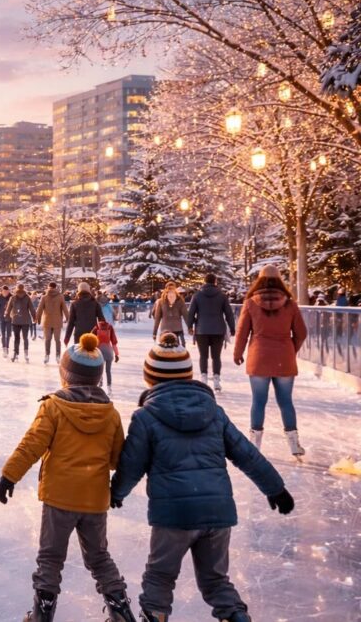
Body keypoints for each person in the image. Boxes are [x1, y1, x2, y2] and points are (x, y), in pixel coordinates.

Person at [110, 332, 294, 622]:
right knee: (215, 580)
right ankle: (235, 616)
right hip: (217, 513)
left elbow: (132, 463)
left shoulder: (145, 417)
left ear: (150, 379)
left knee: (160, 577)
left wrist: (116, 492)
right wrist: (275, 488)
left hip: (174, 516)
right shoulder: (214, 412)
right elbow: (246, 453)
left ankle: (154, 616)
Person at [0, 333, 135, 622]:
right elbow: (116, 459)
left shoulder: (53, 407)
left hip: (59, 498)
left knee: (50, 558)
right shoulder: (110, 414)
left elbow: (31, 444)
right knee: (99, 558)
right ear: (97, 378)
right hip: (95, 500)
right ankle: (121, 612)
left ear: (65, 375)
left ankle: (42, 615)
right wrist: (116, 490)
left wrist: (9, 476)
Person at [233, 265, 308, 459]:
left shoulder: (250, 303)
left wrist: (238, 353)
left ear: (259, 279)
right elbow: (301, 333)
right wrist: (291, 349)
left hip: (259, 358)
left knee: (258, 401)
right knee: (285, 402)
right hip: (284, 357)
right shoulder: (290, 304)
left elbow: (242, 333)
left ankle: (254, 446)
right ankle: (294, 445)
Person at [187, 273, 236, 392]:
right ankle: (216, 380)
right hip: (218, 330)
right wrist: (232, 327)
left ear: (204, 281)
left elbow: (190, 313)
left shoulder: (197, 295)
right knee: (216, 357)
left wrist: (191, 324)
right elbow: (229, 313)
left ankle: (203, 378)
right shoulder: (222, 296)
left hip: (201, 330)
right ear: (215, 282)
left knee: (203, 356)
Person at [35, 282, 69, 365]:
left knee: (47, 339)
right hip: (57, 322)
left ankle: (47, 355)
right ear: (56, 287)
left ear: (48, 287)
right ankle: (58, 356)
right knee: (57, 340)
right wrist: (68, 318)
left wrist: (38, 318)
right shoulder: (60, 297)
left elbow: (39, 309)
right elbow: (65, 308)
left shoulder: (44, 297)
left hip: (47, 321)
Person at [65, 281, 105, 347]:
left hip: (79, 334)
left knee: (79, 354)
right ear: (89, 290)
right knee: (91, 353)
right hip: (93, 333)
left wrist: (67, 338)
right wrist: (104, 333)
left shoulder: (75, 304)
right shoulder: (95, 303)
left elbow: (71, 322)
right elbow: (102, 320)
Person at [5, 284, 36, 363]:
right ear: (23, 289)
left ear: (17, 289)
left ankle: (15, 353)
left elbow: (8, 309)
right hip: (25, 321)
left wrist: (7, 316)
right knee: (25, 338)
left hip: (15, 320)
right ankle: (26, 354)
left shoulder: (13, 298)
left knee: (16, 338)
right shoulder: (27, 298)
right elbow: (32, 309)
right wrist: (34, 317)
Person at [91, 317, 119, 395]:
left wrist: (89, 351)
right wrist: (116, 354)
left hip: (99, 352)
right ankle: (109, 388)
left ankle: (100, 384)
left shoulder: (96, 327)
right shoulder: (110, 327)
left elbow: (90, 339)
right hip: (109, 352)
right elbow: (114, 343)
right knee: (108, 371)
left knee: (100, 370)